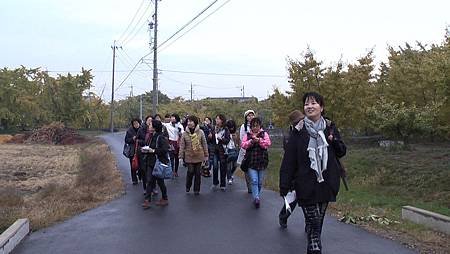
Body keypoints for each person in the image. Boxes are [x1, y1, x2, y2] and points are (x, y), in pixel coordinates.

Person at [279, 92, 346, 254]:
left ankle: (313, 244)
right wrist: (285, 184)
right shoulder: (299, 130)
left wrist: (333, 140)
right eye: (307, 104)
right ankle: (315, 247)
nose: (309, 107)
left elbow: (342, 151)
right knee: (314, 222)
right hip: (305, 183)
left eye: (314, 103)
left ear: (321, 107)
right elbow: (289, 159)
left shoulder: (329, 127)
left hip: (326, 181)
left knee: (318, 222)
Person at [279, 110, 304, 228]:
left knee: (307, 201)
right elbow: (289, 156)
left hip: (306, 171)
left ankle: (310, 224)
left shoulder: (308, 132)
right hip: (294, 172)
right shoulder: (290, 136)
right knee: (292, 199)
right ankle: (283, 216)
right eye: (298, 122)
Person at [241, 117, 271, 208]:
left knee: (260, 182)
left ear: (259, 126)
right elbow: (243, 145)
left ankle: (257, 193)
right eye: (253, 126)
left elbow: (268, 143)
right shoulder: (248, 135)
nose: (255, 128)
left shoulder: (264, 134)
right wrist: (251, 141)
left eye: (257, 126)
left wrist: (259, 140)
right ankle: (256, 198)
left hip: (262, 160)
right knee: (254, 180)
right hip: (251, 161)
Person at [141, 120, 170, 208]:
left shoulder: (160, 137)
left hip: (158, 163)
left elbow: (165, 149)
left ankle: (165, 198)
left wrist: (153, 151)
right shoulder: (151, 136)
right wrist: (145, 150)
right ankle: (147, 200)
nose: (148, 126)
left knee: (160, 182)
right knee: (149, 181)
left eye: (150, 125)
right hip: (151, 162)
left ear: (154, 128)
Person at [179, 115, 209, 195]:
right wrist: (181, 157)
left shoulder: (201, 132)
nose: (189, 123)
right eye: (188, 121)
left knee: (198, 173)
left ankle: (196, 189)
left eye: (191, 121)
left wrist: (206, 155)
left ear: (195, 123)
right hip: (189, 155)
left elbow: (204, 143)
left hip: (199, 155)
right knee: (190, 171)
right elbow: (182, 145)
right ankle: (188, 185)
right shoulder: (185, 133)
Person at [237, 109, 256, 193]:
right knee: (247, 168)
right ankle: (250, 187)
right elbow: (241, 138)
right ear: (246, 117)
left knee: (254, 168)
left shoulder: (257, 125)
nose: (251, 117)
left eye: (252, 115)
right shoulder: (243, 127)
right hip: (246, 150)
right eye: (249, 115)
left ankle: (254, 185)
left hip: (255, 151)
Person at [212, 114, 230, 191]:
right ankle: (215, 182)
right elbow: (210, 140)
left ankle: (223, 184)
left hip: (223, 151)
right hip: (215, 150)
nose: (217, 120)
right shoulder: (213, 128)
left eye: (218, 119)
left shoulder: (225, 129)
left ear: (222, 120)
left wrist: (221, 139)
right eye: (216, 119)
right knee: (215, 166)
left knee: (223, 167)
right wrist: (210, 137)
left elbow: (227, 140)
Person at [136, 115, 154, 193]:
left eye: (151, 120)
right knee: (144, 170)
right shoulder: (141, 129)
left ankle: (152, 187)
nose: (150, 122)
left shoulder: (154, 130)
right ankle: (145, 188)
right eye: (148, 120)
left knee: (152, 171)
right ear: (146, 121)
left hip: (152, 153)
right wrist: (144, 143)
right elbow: (137, 139)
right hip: (142, 153)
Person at [124, 118, 142, 185]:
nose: (136, 125)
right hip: (132, 150)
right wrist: (132, 139)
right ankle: (134, 180)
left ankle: (140, 176)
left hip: (140, 150)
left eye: (137, 123)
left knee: (141, 165)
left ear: (139, 123)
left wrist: (139, 140)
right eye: (134, 124)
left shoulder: (142, 129)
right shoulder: (129, 130)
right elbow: (126, 140)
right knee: (133, 165)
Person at [225, 119, 239, 185]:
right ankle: (229, 178)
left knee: (235, 165)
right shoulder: (225, 132)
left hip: (234, 150)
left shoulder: (236, 133)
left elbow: (239, 142)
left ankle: (231, 173)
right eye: (229, 127)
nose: (231, 128)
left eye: (232, 127)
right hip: (227, 150)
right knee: (228, 166)